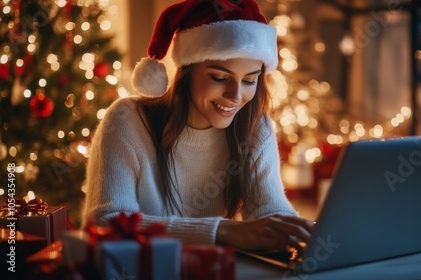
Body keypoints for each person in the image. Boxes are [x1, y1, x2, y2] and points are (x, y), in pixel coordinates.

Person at [82, 0, 314, 252]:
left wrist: (299, 231)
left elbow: (269, 209)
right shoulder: (128, 120)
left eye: (249, 80)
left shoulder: (255, 127)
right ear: (186, 72)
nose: (235, 96)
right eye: (219, 77)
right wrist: (221, 231)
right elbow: (107, 221)